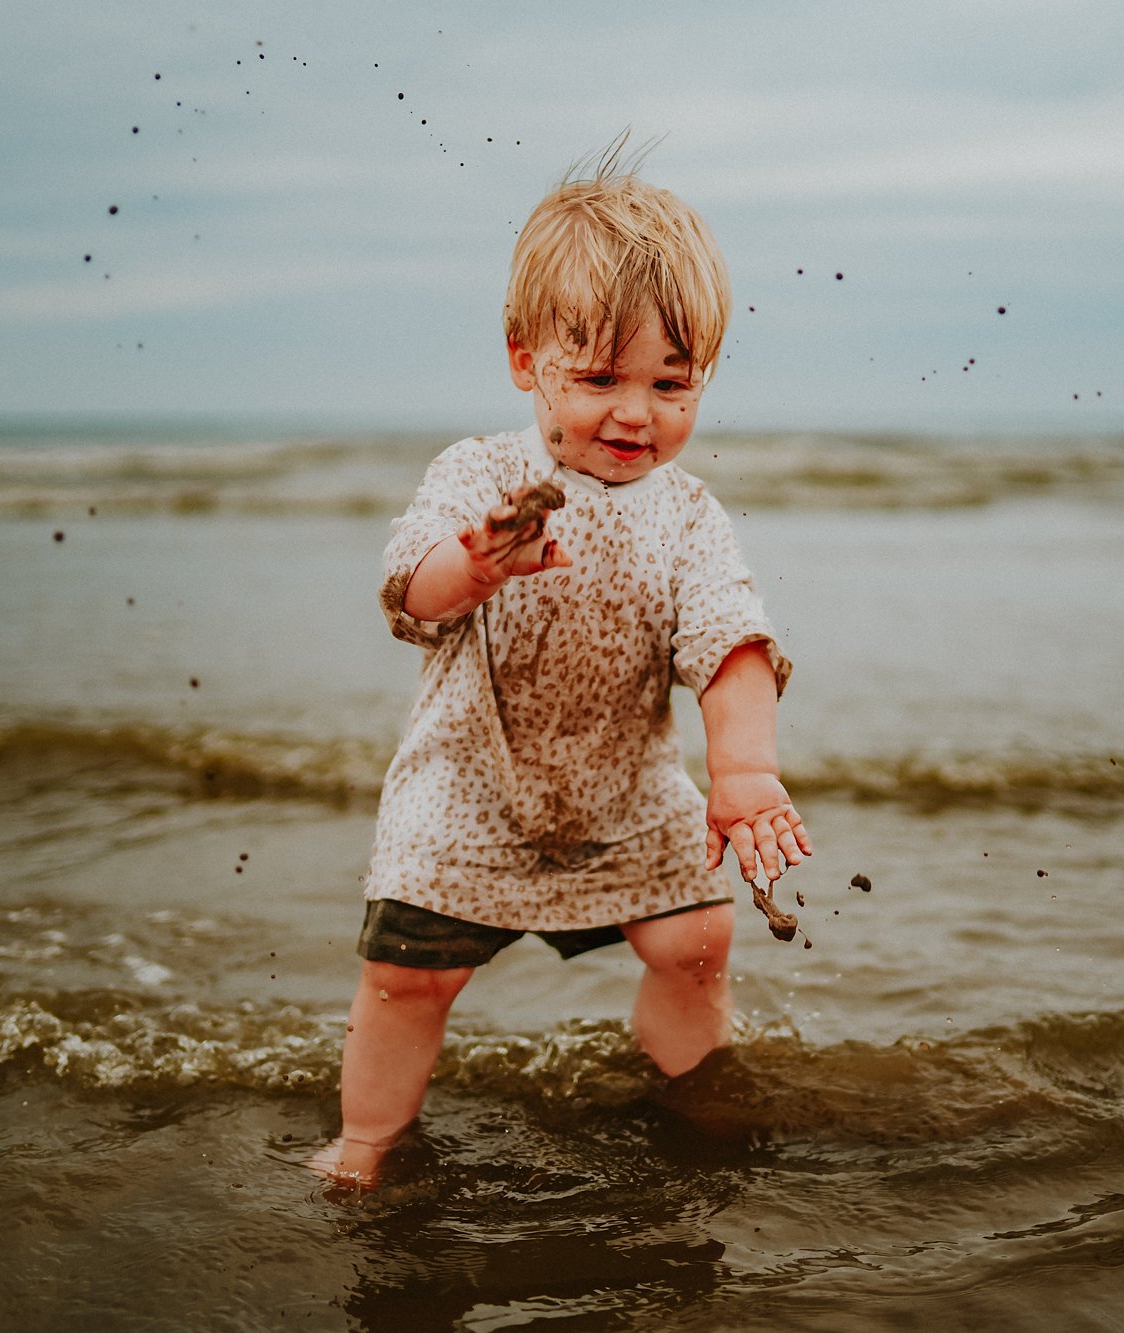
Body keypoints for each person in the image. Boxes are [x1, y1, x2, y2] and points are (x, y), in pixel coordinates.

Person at [307, 142, 811, 1186]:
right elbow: (411, 588)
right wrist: (480, 561)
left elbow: (730, 642)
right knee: (406, 978)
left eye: (671, 383)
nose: (637, 412)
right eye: (598, 379)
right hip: (467, 791)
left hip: (625, 791)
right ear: (523, 360)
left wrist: (744, 769)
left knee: (697, 938)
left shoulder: (685, 514)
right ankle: (365, 1144)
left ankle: (681, 1096)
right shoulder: (482, 473)